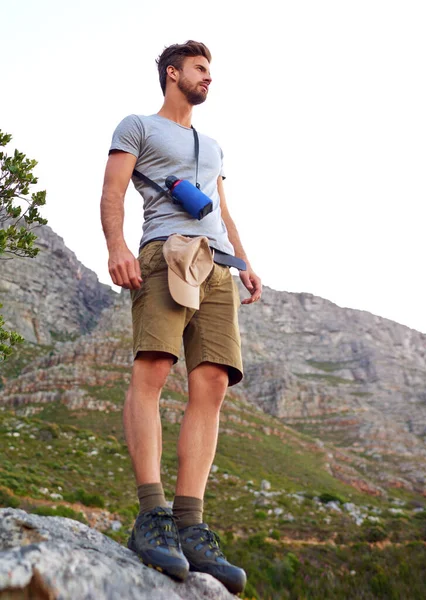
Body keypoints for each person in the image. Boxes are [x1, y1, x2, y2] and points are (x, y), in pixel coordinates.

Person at [100, 40, 262, 595]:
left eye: (210, 71)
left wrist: (245, 263)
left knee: (212, 384)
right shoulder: (137, 126)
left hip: (216, 267)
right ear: (173, 74)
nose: (208, 78)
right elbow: (113, 189)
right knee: (152, 369)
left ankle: (192, 527)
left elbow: (221, 207)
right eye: (199, 69)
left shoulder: (213, 145)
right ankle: (152, 515)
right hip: (164, 252)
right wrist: (116, 246)